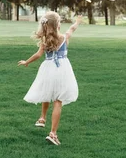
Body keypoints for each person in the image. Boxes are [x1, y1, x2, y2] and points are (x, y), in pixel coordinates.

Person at [18, 11, 82, 145]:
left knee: (47, 92)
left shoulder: (45, 40)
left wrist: (27, 62)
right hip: (63, 70)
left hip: (48, 69)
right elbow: (71, 29)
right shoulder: (64, 37)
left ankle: (42, 118)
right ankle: (53, 133)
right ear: (58, 25)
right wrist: (77, 22)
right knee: (58, 100)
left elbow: (37, 55)